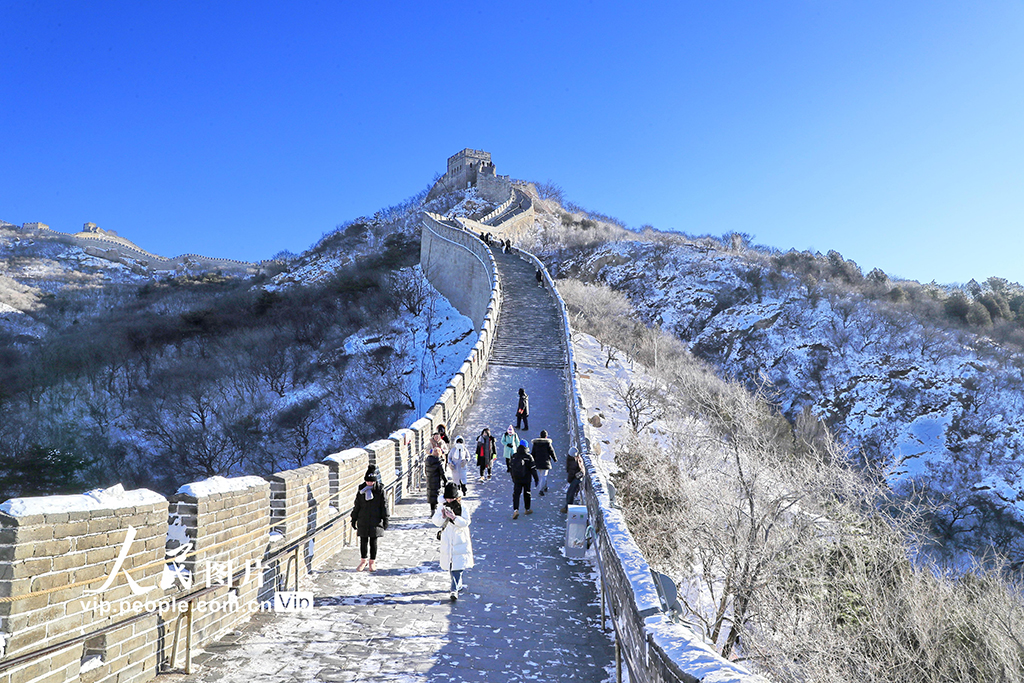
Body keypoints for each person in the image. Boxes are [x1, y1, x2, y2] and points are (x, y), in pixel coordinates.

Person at [431, 482, 474, 601]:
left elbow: (466, 522)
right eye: (447, 498)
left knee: (458, 565)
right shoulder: (442, 505)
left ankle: (454, 589)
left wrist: (454, 518)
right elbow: (436, 521)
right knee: (451, 563)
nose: (449, 500)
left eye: (451, 498)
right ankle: (457, 584)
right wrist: (443, 517)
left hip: (460, 538)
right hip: (448, 538)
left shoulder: (462, 506)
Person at [350, 466, 388, 571]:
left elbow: (384, 506)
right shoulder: (361, 490)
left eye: (371, 481)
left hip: (376, 520)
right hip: (363, 519)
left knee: (373, 542)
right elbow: (357, 505)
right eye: (367, 481)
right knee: (363, 541)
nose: (369, 483)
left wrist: (385, 519)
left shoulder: (379, 491)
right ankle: (363, 561)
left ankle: (372, 562)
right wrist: (353, 519)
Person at [509, 439, 539, 519]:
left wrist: (513, 477)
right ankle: (527, 509)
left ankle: (516, 510)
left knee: (516, 494)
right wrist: (536, 479)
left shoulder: (515, 455)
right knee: (527, 493)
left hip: (517, 479)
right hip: (526, 479)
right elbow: (533, 469)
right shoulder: (528, 456)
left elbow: (511, 467)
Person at [530, 430, 557, 496]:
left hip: (537, 462)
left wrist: (531, 461)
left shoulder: (535, 444)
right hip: (545, 462)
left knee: (542, 475)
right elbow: (551, 451)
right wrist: (555, 459)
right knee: (544, 476)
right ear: (546, 436)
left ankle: (544, 487)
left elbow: (533, 453)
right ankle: (541, 490)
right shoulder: (547, 443)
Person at [425, 446, 448, 514]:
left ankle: (432, 510)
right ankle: (437, 510)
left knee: (431, 494)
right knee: (436, 494)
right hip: (436, 480)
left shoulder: (428, 460)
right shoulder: (438, 462)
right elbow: (442, 473)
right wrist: (445, 480)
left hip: (429, 479)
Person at [562, 448, 585, 514]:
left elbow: (571, 473)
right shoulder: (578, 458)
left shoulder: (572, 461)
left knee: (570, 493)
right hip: (579, 477)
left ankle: (568, 508)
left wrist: (569, 480)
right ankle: (568, 507)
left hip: (576, 478)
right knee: (572, 492)